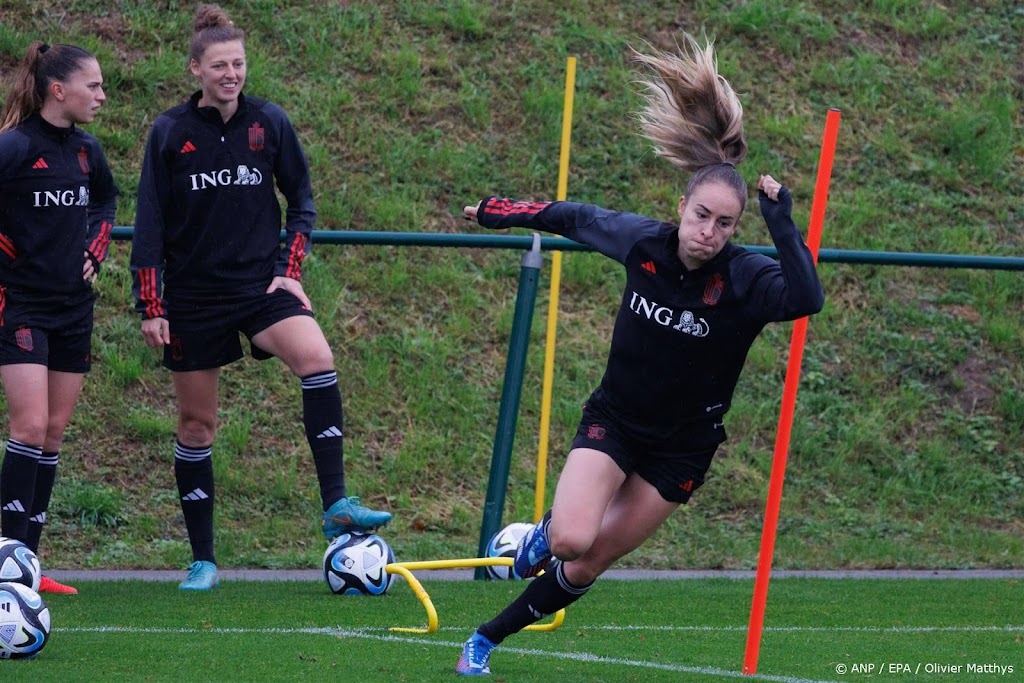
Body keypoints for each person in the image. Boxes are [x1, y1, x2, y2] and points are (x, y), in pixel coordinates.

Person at [456, 34, 825, 676]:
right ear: (681, 207)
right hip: (617, 421)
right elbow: (573, 217)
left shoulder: (745, 278)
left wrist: (782, 223)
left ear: (736, 228)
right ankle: (543, 531)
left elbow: (806, 296)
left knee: (589, 561)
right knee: (570, 537)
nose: (708, 233)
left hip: (682, 445)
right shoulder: (644, 244)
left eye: (725, 224)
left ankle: (484, 640)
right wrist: (500, 213)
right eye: (701, 215)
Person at [129, 3, 390, 592]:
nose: (231, 73)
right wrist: (152, 305)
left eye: (239, 63)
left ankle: (337, 504)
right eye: (219, 65)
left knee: (316, 357)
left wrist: (289, 268)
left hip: (259, 288)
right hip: (194, 298)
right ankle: (203, 560)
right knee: (198, 426)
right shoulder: (171, 132)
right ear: (195, 68)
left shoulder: (269, 122)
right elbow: (149, 222)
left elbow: (301, 200)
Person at [0, 41, 118, 596]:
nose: (101, 94)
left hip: (74, 309)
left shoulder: (89, 151)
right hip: (19, 305)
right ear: (58, 90)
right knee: (26, 427)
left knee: (50, 433)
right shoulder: (15, 148)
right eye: (92, 85)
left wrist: (96, 246)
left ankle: (27, 563)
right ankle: (4, 559)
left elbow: (105, 205)